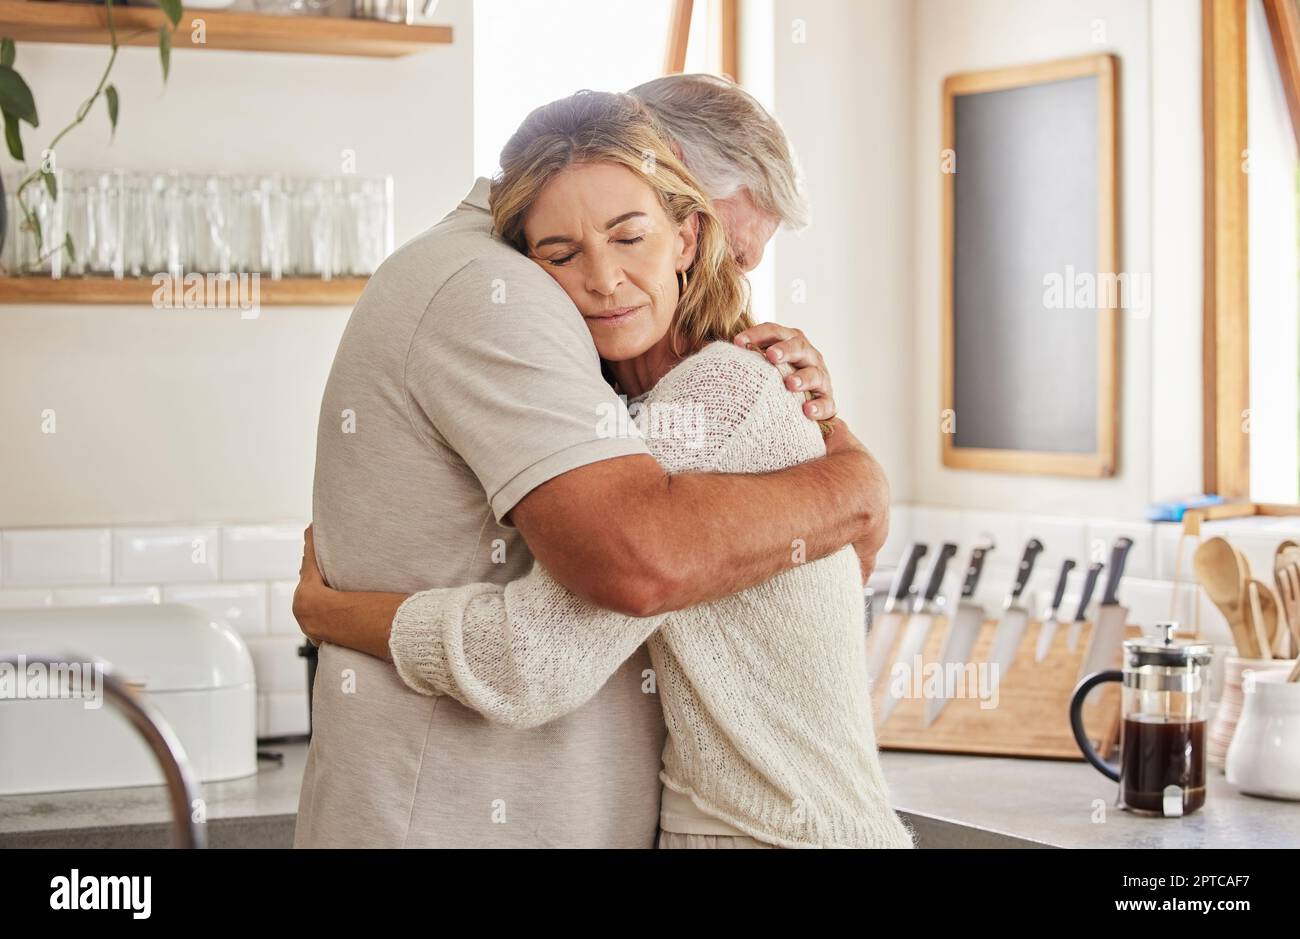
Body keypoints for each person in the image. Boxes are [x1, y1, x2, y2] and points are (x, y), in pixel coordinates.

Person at [292, 76, 892, 849]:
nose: (605, 278)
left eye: (631, 237)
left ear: (683, 236)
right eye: (565, 249)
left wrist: (331, 613)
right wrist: (852, 478)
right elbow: (632, 574)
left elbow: (535, 654)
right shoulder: (530, 323)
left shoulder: (719, 390)